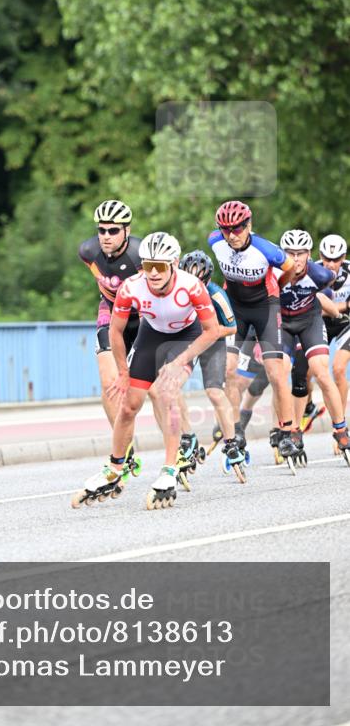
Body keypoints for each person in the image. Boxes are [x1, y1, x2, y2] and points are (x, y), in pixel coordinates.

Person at [76, 232, 222, 511]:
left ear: (174, 264)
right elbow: (115, 331)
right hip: (151, 334)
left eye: (160, 267)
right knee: (129, 405)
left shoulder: (191, 287)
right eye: (147, 265)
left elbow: (212, 330)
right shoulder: (131, 287)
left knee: (167, 393)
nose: (152, 273)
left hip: (184, 338)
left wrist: (182, 361)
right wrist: (122, 371)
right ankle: (115, 467)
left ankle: (169, 469)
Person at [208, 200, 302, 465]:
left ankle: (284, 431)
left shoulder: (266, 249)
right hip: (236, 306)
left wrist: (274, 285)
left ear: (249, 225)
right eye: (226, 229)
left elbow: (290, 269)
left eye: (237, 228)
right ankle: (236, 432)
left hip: (265, 306)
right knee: (228, 370)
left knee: (276, 371)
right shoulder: (215, 241)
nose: (232, 235)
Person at [277, 229, 349, 468]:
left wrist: (337, 313)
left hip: (310, 321)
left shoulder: (320, 275)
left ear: (309, 254)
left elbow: (321, 298)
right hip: (285, 326)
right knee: (285, 371)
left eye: (300, 253)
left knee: (322, 372)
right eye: (290, 253)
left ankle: (340, 429)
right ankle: (290, 429)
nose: (296, 259)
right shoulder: (274, 273)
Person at [176, 250, 245, 484]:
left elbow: (233, 327)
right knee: (171, 387)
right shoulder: (175, 290)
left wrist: (211, 332)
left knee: (215, 392)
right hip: (187, 341)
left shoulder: (216, 294)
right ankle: (188, 439)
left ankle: (232, 443)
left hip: (212, 341)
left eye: (200, 283)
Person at [78, 200, 142, 427]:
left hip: (141, 316)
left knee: (152, 388)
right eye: (101, 230)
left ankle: (184, 438)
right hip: (111, 312)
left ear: (127, 230)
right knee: (109, 385)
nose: (106, 236)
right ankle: (124, 452)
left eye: (113, 230)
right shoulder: (88, 251)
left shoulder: (140, 256)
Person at [318, 234, 350, 447]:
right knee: (311, 371)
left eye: (336, 259)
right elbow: (317, 309)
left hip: (346, 324)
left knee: (338, 369)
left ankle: (340, 426)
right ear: (320, 256)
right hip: (322, 323)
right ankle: (308, 408)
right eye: (326, 258)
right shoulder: (312, 271)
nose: (330, 263)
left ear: (343, 257)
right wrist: (343, 306)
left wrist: (335, 308)